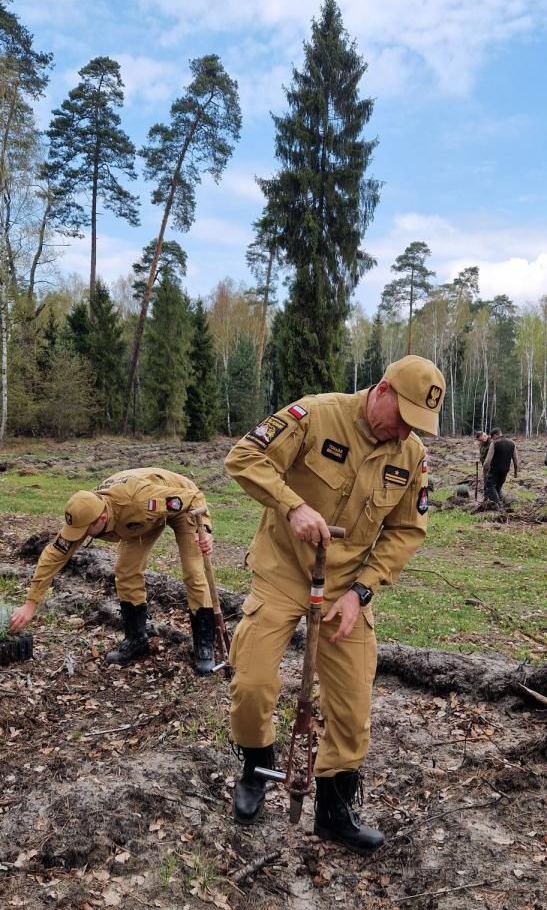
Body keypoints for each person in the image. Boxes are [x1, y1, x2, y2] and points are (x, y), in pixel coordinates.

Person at [224, 354, 446, 853]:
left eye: (417, 426)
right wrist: (293, 505)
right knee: (254, 681)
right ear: (383, 389)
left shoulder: (410, 455)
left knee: (351, 705)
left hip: (345, 586)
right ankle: (258, 767)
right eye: (402, 417)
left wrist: (361, 591)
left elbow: (407, 530)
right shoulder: (316, 415)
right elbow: (244, 458)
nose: (404, 432)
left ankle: (333, 808)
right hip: (283, 571)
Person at [9, 467, 216, 673]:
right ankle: (136, 639)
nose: (80, 536)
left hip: (180, 503)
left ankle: (204, 646)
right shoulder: (85, 511)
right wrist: (31, 603)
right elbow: (54, 555)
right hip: (140, 520)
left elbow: (194, 497)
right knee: (126, 571)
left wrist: (204, 530)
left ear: (101, 519)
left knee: (193, 572)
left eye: (84, 531)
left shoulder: (139, 501)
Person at [483, 428, 518, 506]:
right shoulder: (512, 443)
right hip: (505, 470)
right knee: (498, 487)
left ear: (495, 435)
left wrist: (485, 470)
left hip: (495, 469)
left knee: (489, 486)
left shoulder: (494, 443)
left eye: (492, 437)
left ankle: (497, 505)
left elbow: (488, 461)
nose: (492, 439)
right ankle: (500, 502)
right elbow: (516, 460)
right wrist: (515, 472)